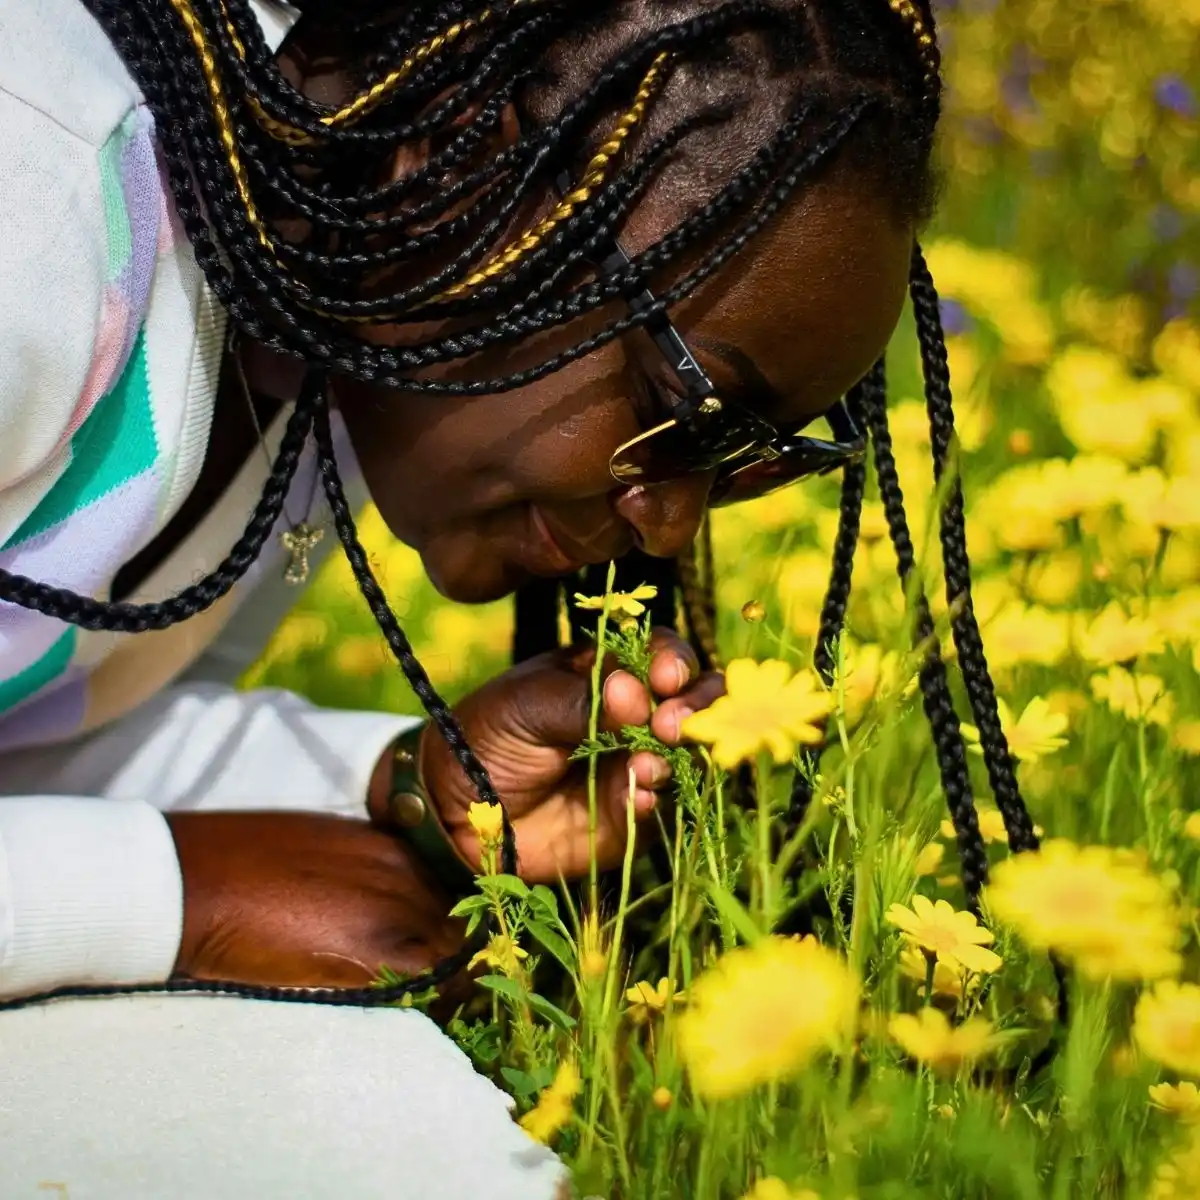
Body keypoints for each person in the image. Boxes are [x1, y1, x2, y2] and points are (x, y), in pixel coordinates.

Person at [0, 0, 1033, 1195]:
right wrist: (167, 896)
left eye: (749, 458)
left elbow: (32, 753)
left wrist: (400, 785)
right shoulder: (37, 200)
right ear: (449, 153)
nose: (672, 518)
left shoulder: (317, 361)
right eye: (685, 404)